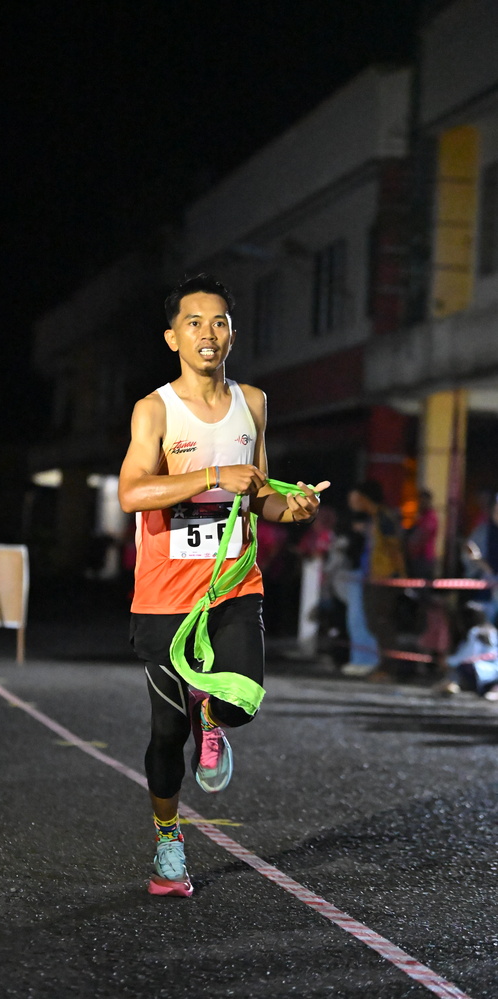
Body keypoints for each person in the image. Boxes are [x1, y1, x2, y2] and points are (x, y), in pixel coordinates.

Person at [118, 273, 329, 897]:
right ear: (173, 338)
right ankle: (168, 842)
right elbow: (133, 492)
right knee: (165, 734)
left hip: (235, 582)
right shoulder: (155, 409)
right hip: (165, 592)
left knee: (243, 700)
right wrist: (212, 475)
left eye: (219, 323)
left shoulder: (253, 402)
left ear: (232, 335)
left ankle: (211, 711)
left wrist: (293, 509)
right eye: (194, 323)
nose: (207, 333)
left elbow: (259, 494)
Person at [341, 480, 406, 679]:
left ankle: (389, 668)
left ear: (363, 497)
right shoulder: (375, 518)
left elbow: (395, 548)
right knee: (374, 623)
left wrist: (401, 577)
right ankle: (384, 666)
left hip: (385, 578)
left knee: (382, 623)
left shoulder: (384, 517)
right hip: (374, 577)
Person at [434, 602, 498, 701]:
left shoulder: (475, 632)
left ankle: (451, 684)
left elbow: (467, 655)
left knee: (461, 667)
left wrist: (447, 661)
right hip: (493, 671)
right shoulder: (492, 630)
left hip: (480, 671)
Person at [462, 495, 498, 626]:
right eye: (496, 510)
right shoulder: (483, 531)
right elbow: (468, 548)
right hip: (486, 584)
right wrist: (481, 563)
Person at [405, 488, 438, 579]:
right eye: (420, 501)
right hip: (417, 558)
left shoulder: (430, 517)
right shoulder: (421, 517)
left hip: (425, 557)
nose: (421, 503)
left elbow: (423, 535)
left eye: (423, 501)